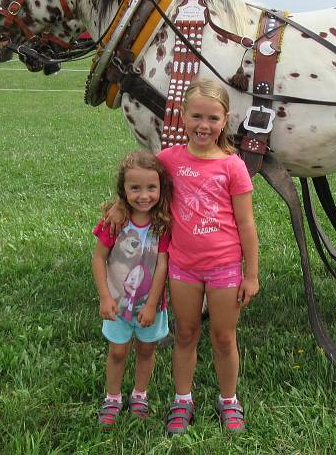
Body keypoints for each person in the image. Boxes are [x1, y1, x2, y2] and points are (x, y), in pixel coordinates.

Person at [107, 81, 259, 434]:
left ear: (225, 120)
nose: (203, 125)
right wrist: (118, 205)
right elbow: (139, 179)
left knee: (224, 338)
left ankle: (229, 401)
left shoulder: (233, 166)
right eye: (196, 116)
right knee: (185, 334)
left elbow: (247, 224)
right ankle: (182, 399)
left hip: (224, 268)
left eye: (212, 118)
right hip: (182, 267)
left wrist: (251, 274)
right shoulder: (169, 161)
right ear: (182, 116)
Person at [92, 149, 173, 427]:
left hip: (150, 306)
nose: (144, 195)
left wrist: (152, 304)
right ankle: (112, 397)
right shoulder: (115, 222)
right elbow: (98, 258)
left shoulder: (162, 225)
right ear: (123, 190)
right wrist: (104, 297)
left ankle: (140, 394)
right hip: (117, 305)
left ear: (161, 189)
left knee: (147, 350)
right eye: (135, 188)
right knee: (117, 352)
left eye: (151, 187)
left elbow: (162, 265)